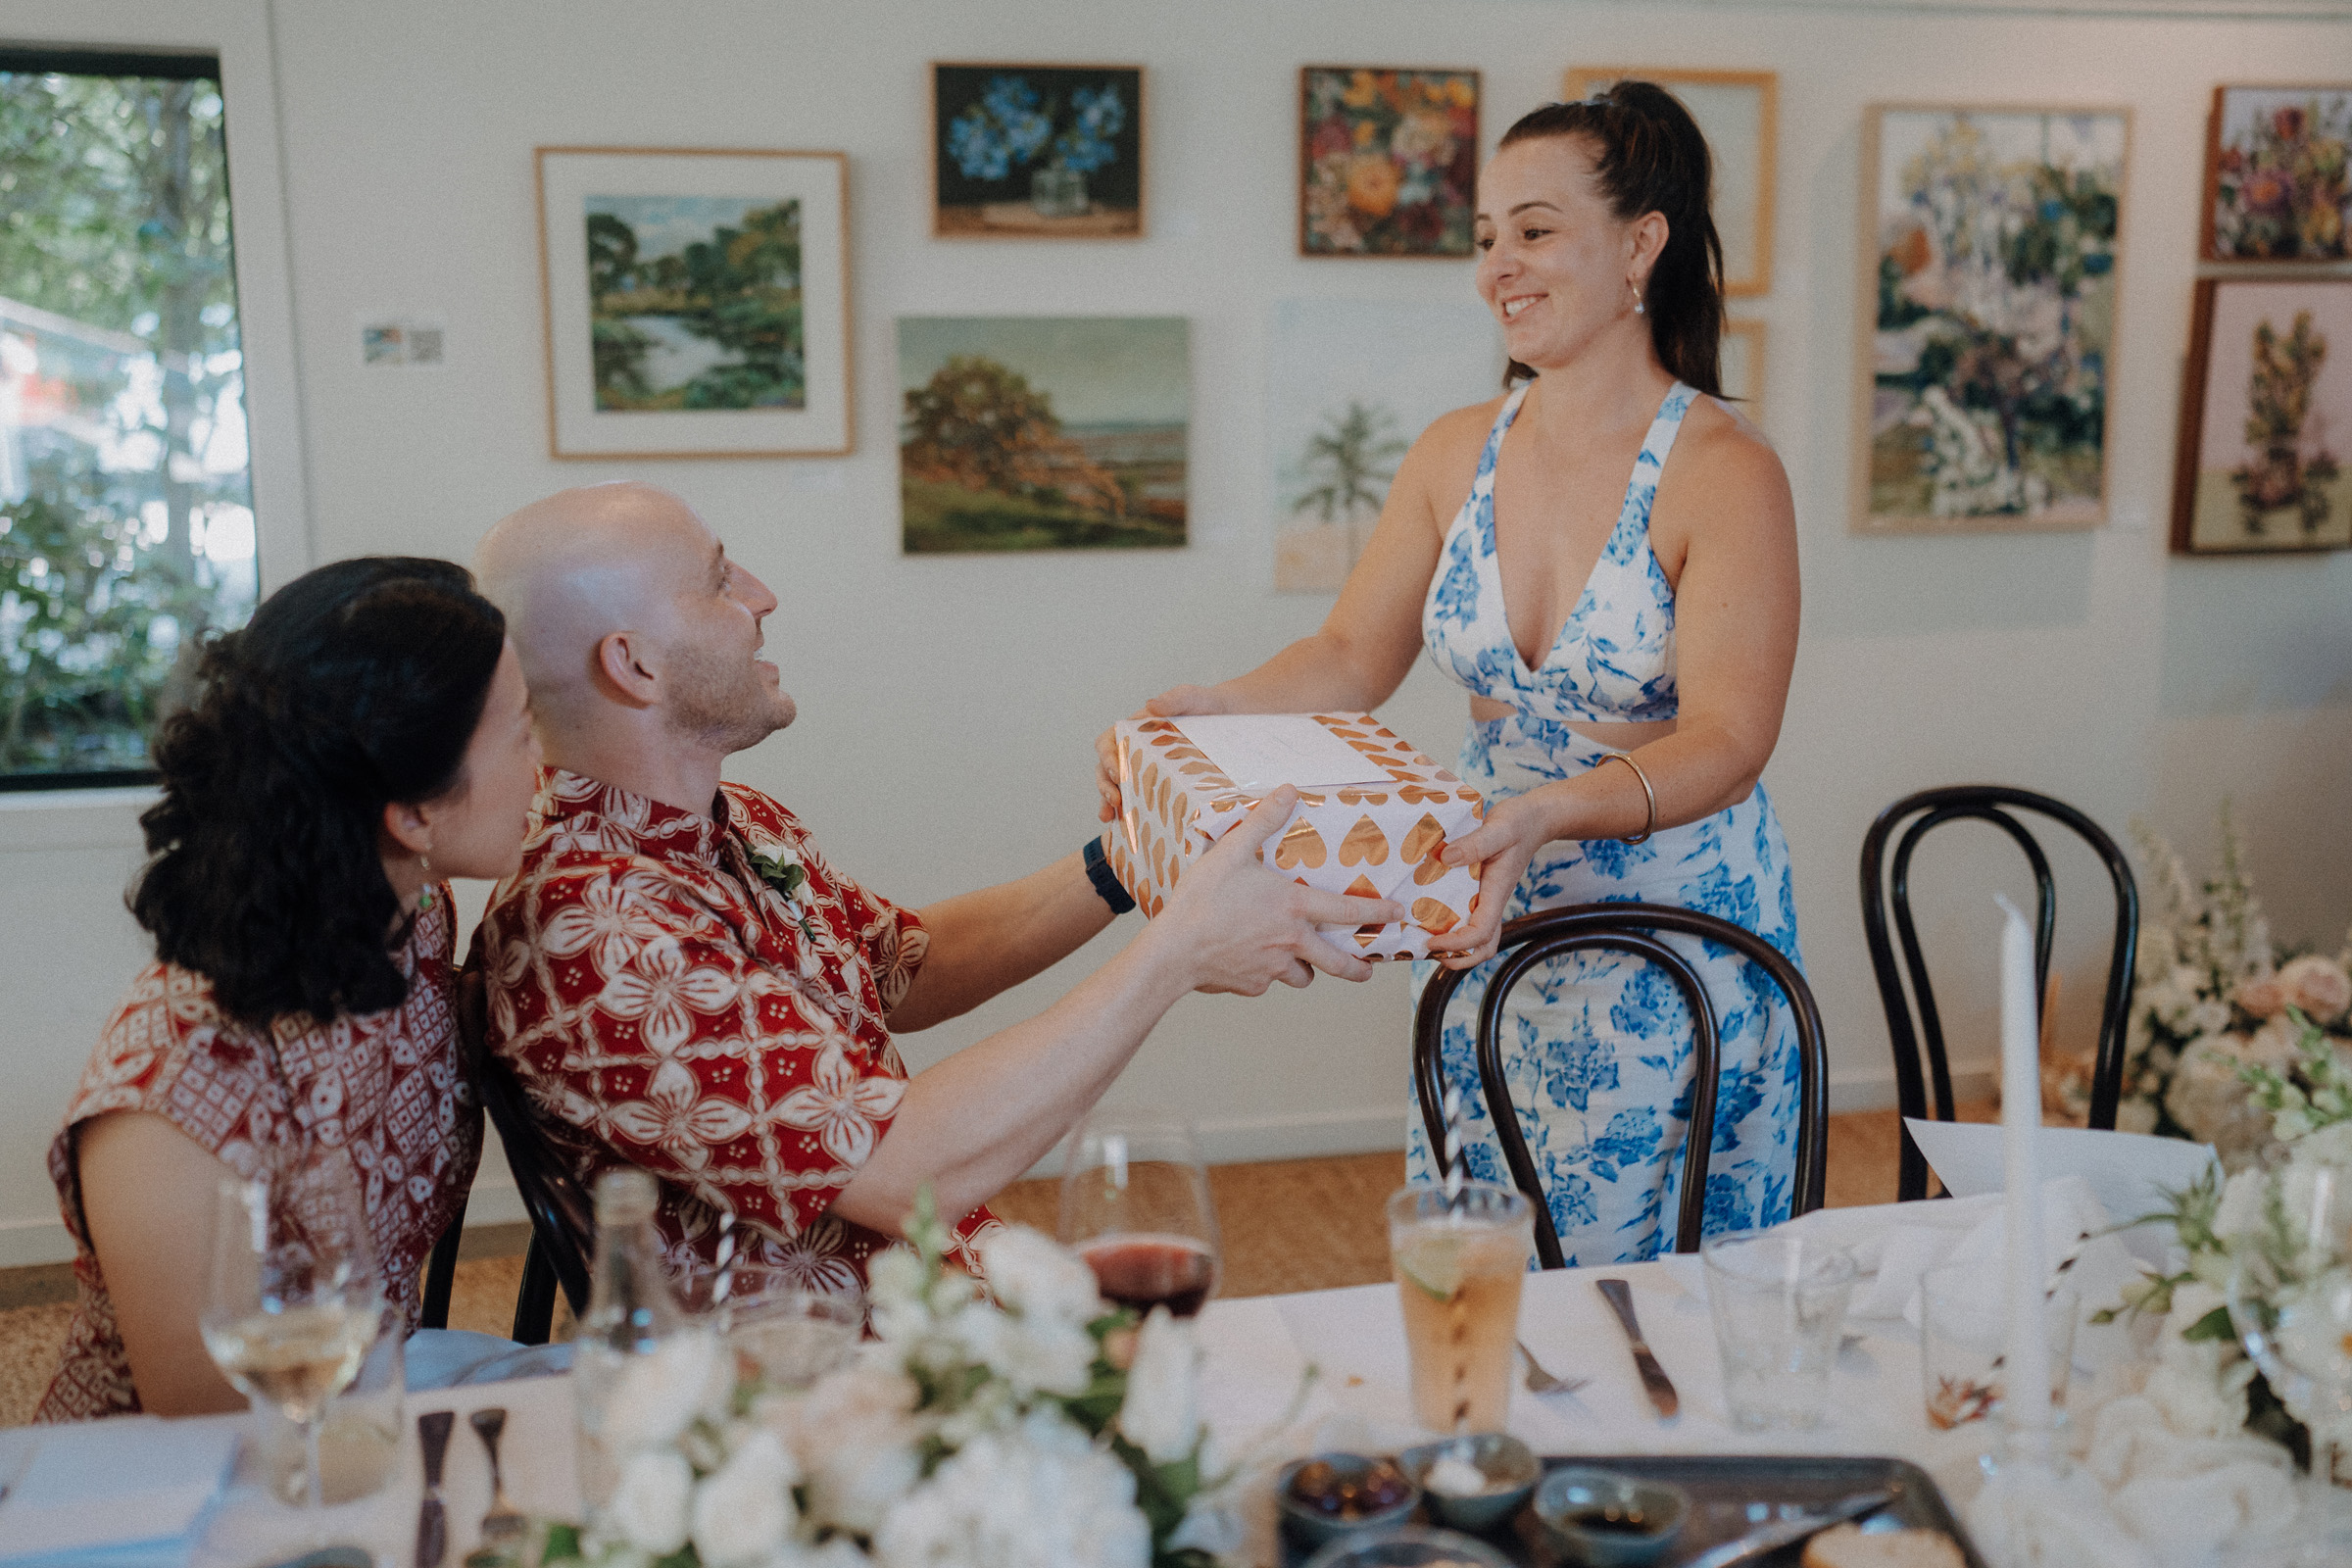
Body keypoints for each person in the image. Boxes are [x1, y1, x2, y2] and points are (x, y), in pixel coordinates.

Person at [1097, 85, 1803, 1262]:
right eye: (1485, 238)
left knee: (1654, 1298)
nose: (1498, 266)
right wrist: (1203, 713)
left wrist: (1545, 811)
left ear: (1641, 242)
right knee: (1482, 1256)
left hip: (1671, 955)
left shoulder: (1727, 470)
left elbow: (1730, 740)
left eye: (1532, 229)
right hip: (1487, 909)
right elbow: (1346, 658)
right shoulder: (1453, 448)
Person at [469, 482, 1396, 1289]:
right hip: (821, 1385)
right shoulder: (592, 928)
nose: (762, 597)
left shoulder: (737, 818)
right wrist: (1178, 951)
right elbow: (906, 1169)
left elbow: (904, 968)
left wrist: (1134, 860)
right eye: (718, 580)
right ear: (632, 664)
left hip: (953, 1290)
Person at [38, 558, 541, 1420]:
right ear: (412, 816)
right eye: (526, 730)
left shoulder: (411, 921)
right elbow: (211, 1431)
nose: (546, 767)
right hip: (178, 1493)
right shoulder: (170, 1096)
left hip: (363, 1392)